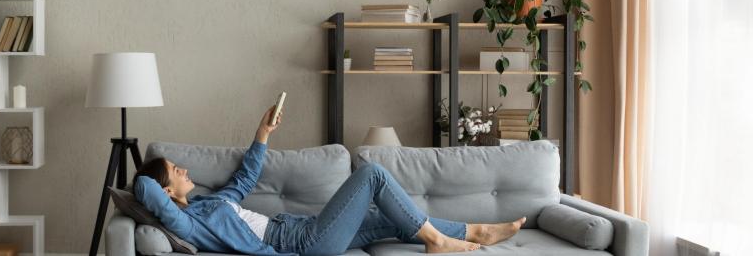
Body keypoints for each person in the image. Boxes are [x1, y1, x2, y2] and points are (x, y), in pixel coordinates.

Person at [133, 106, 526, 256]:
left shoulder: (210, 203)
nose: (184, 170)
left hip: (301, 229)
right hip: (299, 243)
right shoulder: (186, 222)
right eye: (176, 171)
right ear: (167, 192)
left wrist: (263, 131)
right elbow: (143, 188)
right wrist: (150, 178)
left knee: (390, 218)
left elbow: (246, 175)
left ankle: (475, 231)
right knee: (372, 175)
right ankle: (439, 242)